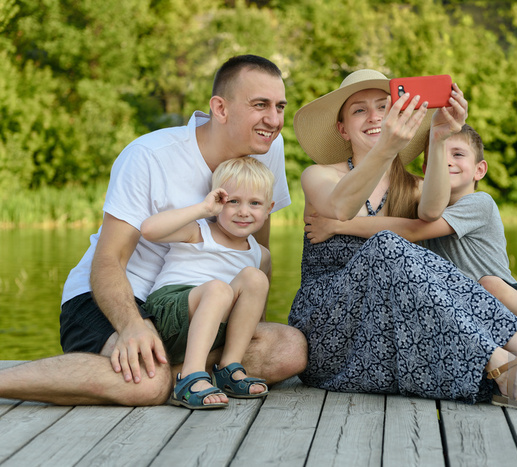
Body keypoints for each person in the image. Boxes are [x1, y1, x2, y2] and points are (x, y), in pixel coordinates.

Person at [289, 69, 517, 414]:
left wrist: (438, 136)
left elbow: (431, 212)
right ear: (343, 128)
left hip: (389, 332)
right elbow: (340, 207)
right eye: (359, 110)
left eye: (382, 106)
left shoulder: (411, 186)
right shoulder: (320, 175)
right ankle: (508, 370)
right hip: (331, 330)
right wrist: (387, 147)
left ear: (398, 115)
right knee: (386, 245)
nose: (373, 116)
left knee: (430, 270)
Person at [0, 54, 307, 406]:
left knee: (289, 349)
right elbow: (109, 260)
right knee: (146, 385)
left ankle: (177, 372)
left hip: (204, 305)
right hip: (113, 299)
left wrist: (250, 328)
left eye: (280, 106)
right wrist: (133, 325)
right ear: (220, 108)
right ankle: (164, 374)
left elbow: (254, 251)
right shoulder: (149, 155)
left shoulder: (268, 147)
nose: (274, 119)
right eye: (260, 105)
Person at [141, 157, 276, 409]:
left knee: (254, 278)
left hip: (214, 326)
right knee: (218, 289)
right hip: (170, 313)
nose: (244, 211)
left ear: (269, 208)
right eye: (233, 201)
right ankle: (188, 377)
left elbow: (256, 307)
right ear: (218, 201)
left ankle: (229, 369)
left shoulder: (260, 254)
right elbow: (148, 229)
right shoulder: (198, 231)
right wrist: (202, 209)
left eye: (255, 203)